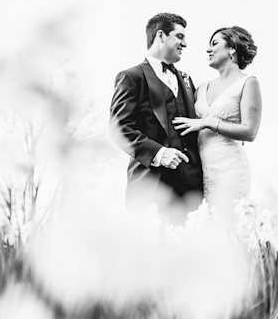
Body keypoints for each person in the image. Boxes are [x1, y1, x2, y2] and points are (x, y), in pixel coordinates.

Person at [109, 13, 203, 225]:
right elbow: (119, 128)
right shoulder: (131, 77)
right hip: (150, 188)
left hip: (191, 190)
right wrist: (159, 153)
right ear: (161, 35)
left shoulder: (187, 80)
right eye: (180, 36)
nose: (185, 44)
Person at [173, 26, 262, 216]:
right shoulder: (202, 87)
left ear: (232, 49)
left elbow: (250, 132)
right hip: (202, 172)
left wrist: (209, 122)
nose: (208, 50)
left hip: (230, 170)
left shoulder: (248, 83)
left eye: (214, 44)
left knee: (225, 230)